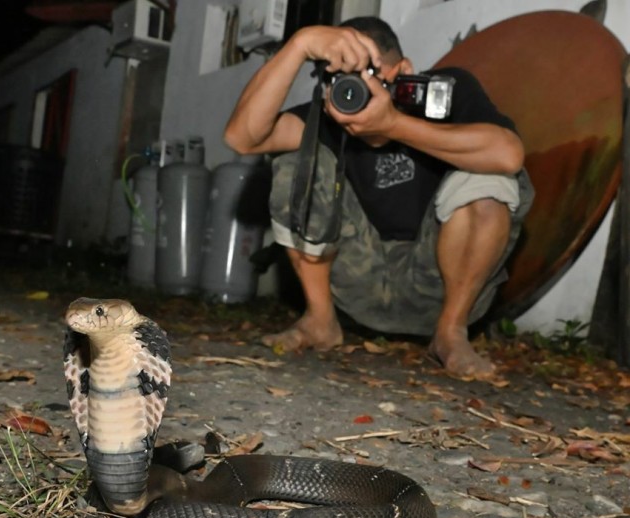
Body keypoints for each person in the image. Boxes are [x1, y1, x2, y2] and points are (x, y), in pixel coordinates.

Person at [223, 16, 534, 379]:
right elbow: (243, 139)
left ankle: (451, 333)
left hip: (440, 283)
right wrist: (300, 44)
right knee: (297, 162)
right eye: (339, 77)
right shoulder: (331, 115)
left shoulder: (442, 92)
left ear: (403, 70)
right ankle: (321, 321)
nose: (358, 87)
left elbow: (508, 154)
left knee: (488, 174)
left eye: (370, 72)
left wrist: (393, 124)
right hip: (361, 285)